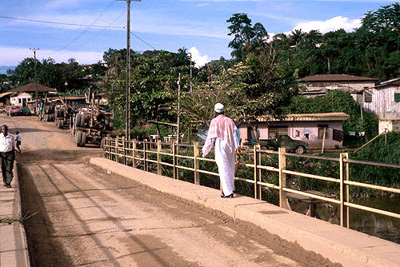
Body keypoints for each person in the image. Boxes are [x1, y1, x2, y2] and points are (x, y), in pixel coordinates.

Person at [202, 103, 239, 198]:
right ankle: (231, 188)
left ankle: (228, 192)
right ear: (223, 111)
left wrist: (205, 149)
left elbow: (211, 137)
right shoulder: (229, 120)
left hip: (221, 143)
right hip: (230, 144)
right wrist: (237, 148)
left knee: (223, 167)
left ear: (215, 112)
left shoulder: (214, 121)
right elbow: (235, 135)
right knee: (231, 166)